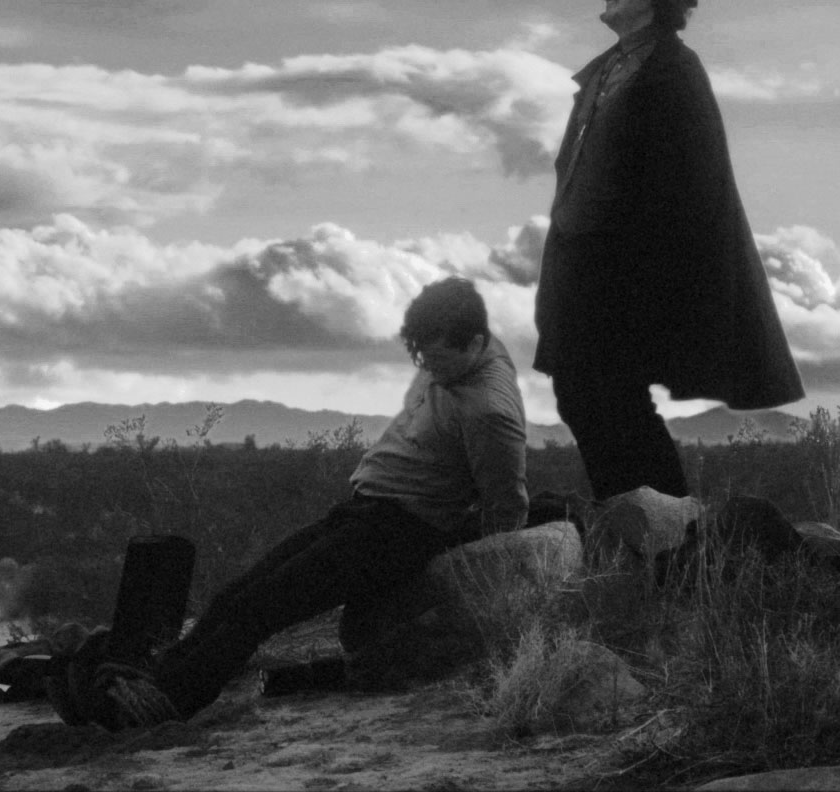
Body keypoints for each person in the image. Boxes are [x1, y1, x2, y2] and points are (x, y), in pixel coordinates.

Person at [56, 276, 530, 730]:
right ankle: (155, 679)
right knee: (236, 594)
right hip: (366, 512)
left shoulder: (490, 412)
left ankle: (165, 703)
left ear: (474, 343)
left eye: (439, 359)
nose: (430, 370)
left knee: (261, 608)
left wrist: (483, 583)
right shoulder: (469, 350)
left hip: (398, 533)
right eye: (422, 357)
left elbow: (507, 504)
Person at [532, 0, 803, 503]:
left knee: (610, 399)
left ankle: (668, 525)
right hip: (583, 275)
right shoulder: (606, 70)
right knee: (583, 397)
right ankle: (643, 521)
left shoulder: (675, 72)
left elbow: (691, 192)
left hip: (628, 279)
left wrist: (645, 281)